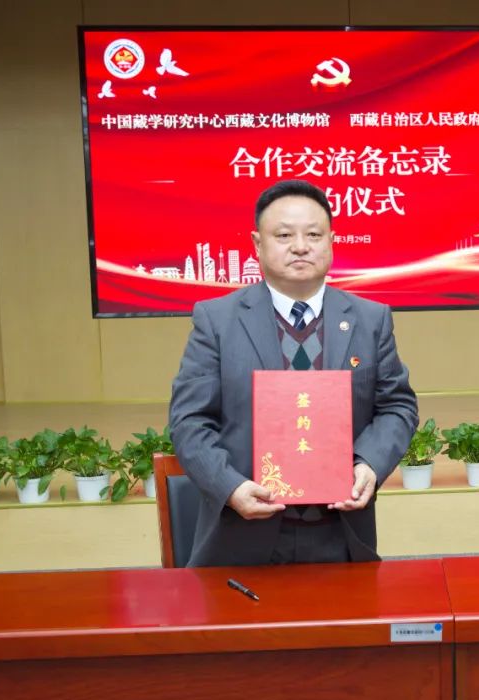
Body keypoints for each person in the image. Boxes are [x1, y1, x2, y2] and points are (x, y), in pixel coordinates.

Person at [169, 179, 418, 566]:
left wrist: (370, 462)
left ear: (331, 241)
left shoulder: (370, 320)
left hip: (341, 534)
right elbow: (189, 420)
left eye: (313, 235)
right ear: (257, 244)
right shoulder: (216, 320)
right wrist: (230, 487)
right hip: (241, 535)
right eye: (284, 235)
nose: (300, 246)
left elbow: (397, 407)